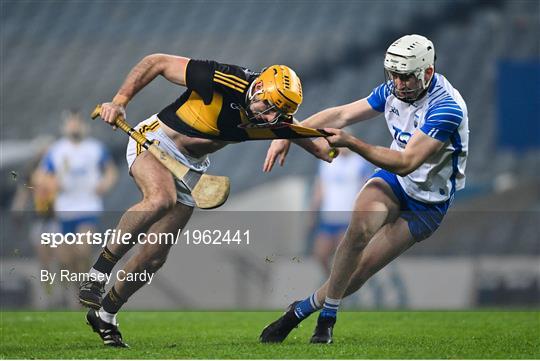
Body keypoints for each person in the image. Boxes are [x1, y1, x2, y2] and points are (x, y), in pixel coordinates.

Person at [79, 54, 334, 347]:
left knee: (154, 257)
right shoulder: (223, 79)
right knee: (161, 198)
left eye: (276, 115)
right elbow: (156, 62)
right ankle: (97, 273)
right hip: (156, 140)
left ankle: (106, 314)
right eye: (268, 107)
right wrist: (120, 101)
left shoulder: (273, 117)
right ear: (259, 88)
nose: (267, 118)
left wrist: (337, 148)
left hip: (191, 168)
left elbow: (315, 144)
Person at [260, 34, 468, 344]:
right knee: (357, 231)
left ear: (427, 72)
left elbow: (407, 161)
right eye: (393, 75)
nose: (398, 83)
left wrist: (353, 143)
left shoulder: (446, 108)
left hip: (428, 202)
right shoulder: (393, 90)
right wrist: (288, 131)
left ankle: (300, 311)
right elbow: (341, 114)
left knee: (360, 272)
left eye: (405, 77)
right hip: (394, 182)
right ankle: (326, 321)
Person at [41, 110, 118, 307]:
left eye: (77, 122)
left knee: (83, 250)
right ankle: (78, 292)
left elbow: (111, 171)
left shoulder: (95, 148)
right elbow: (41, 177)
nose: (74, 126)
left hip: (88, 208)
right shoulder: (56, 150)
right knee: (67, 259)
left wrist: (105, 184)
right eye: (71, 123)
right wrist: (51, 184)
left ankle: (86, 291)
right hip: (65, 210)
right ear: (65, 126)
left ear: (84, 125)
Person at [309, 147, 372, 276]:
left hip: (348, 218)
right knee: (320, 254)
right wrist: (312, 212)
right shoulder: (327, 161)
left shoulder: (359, 162)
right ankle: (332, 282)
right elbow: (319, 189)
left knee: (343, 257)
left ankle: (343, 285)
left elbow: (367, 188)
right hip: (329, 216)